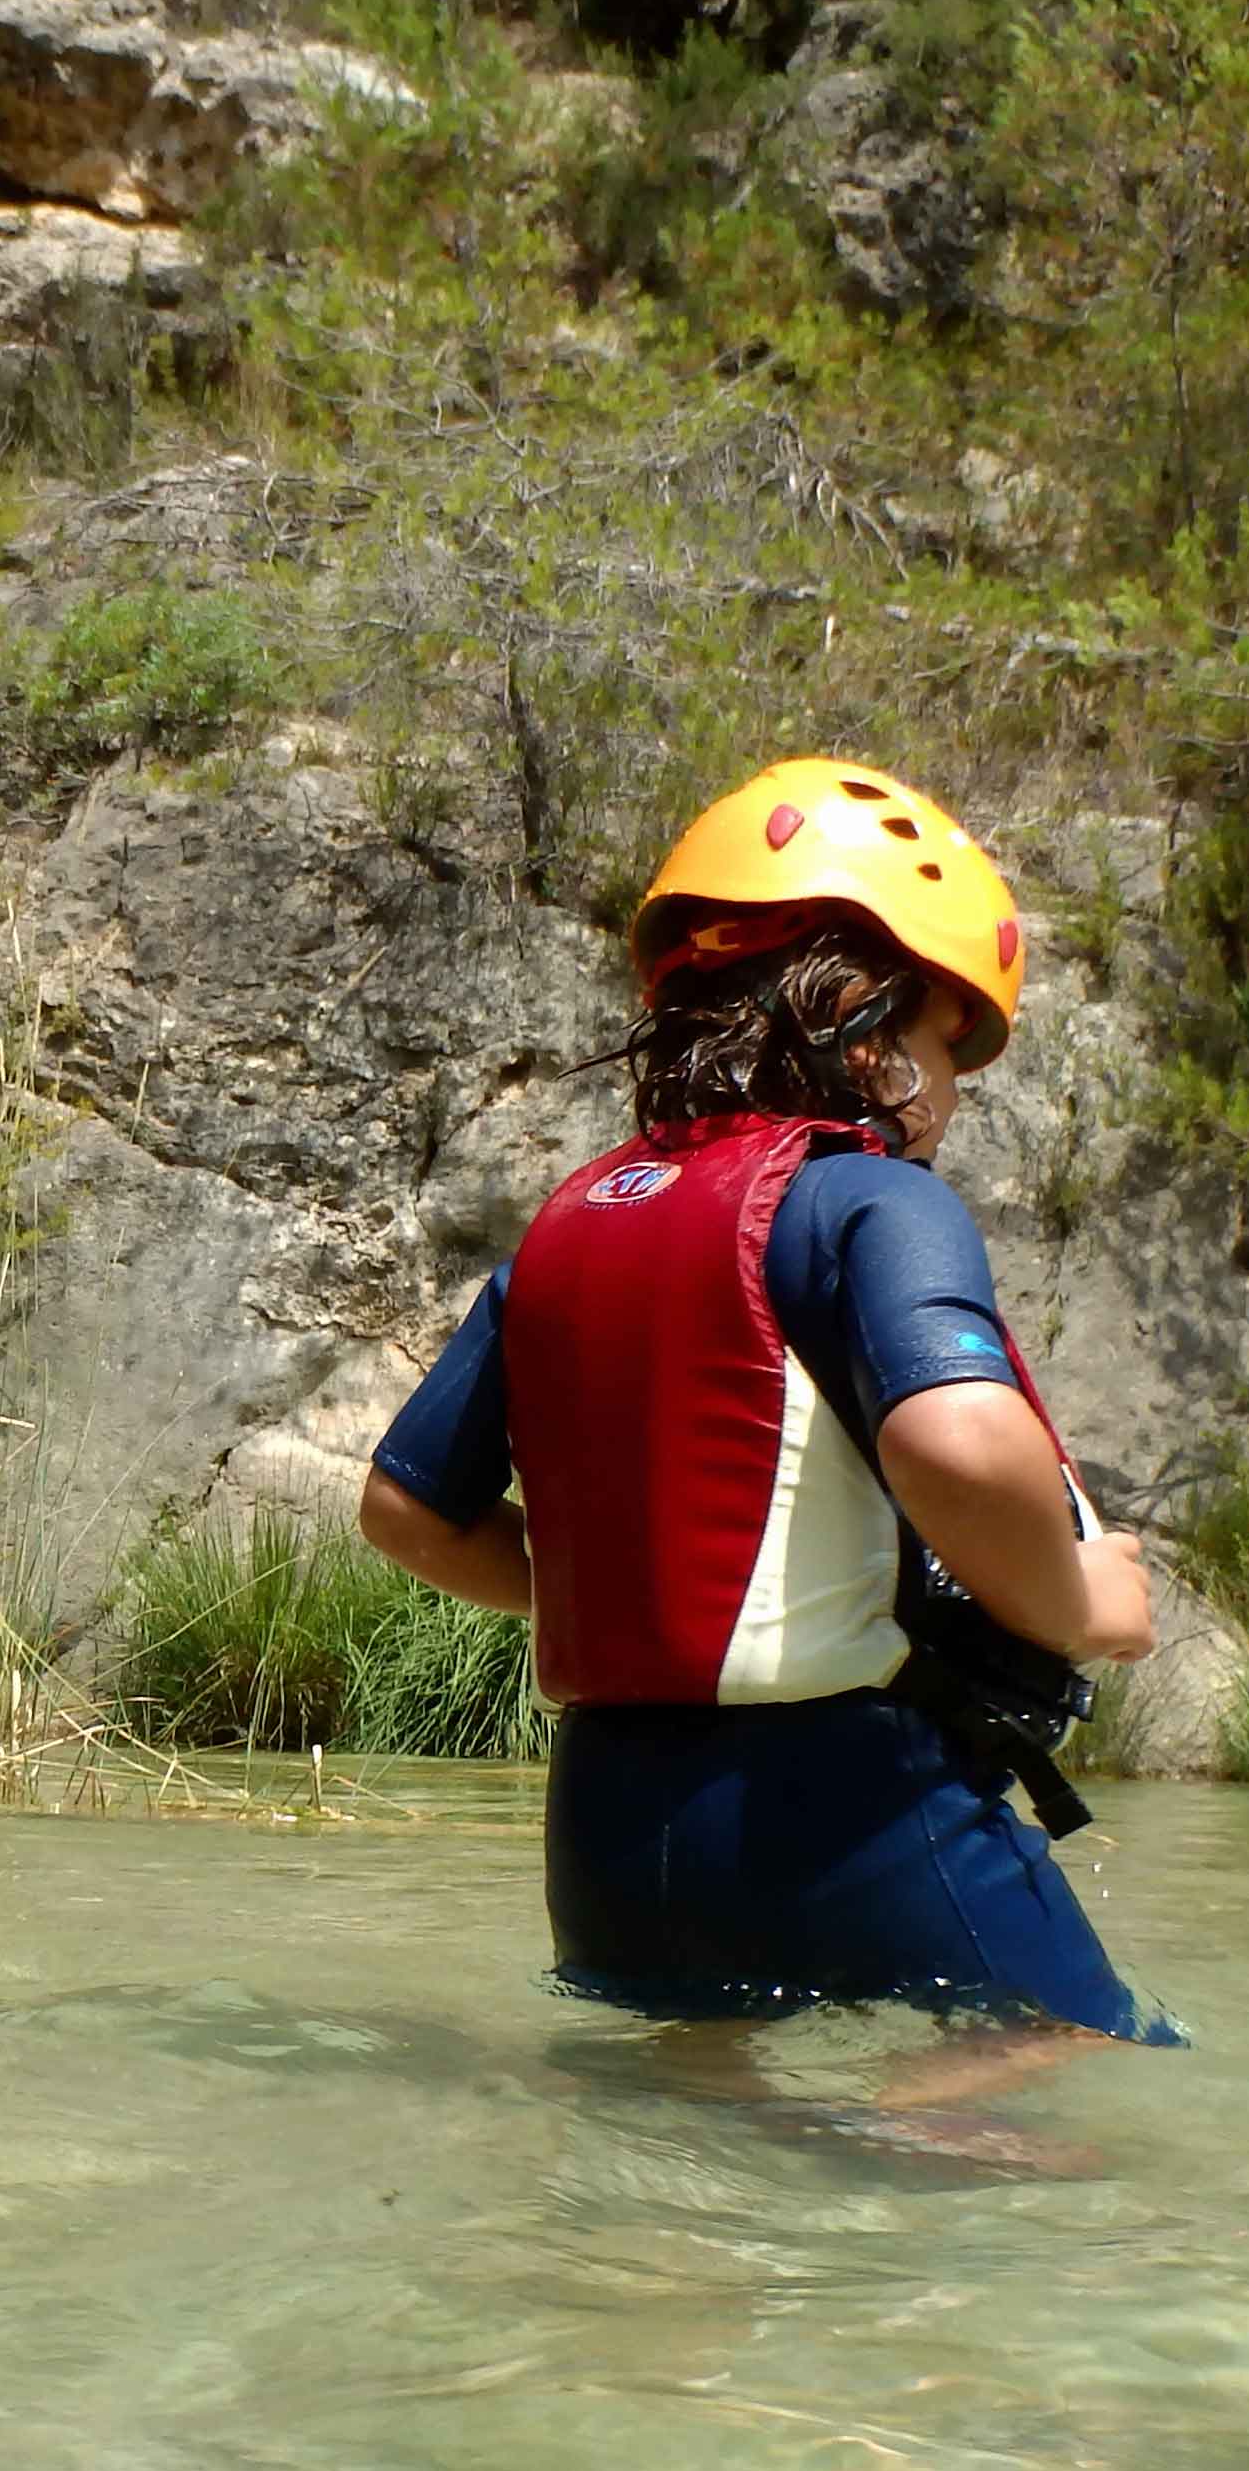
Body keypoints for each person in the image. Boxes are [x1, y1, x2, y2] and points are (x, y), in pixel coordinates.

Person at [357, 757, 1177, 2077]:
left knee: (693, 2127)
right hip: (840, 1807)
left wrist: (628, 1590)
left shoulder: (568, 1225)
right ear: (873, 1030)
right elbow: (959, 1443)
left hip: (605, 1835)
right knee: (1064, 2050)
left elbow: (404, 1508)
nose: (953, 1092)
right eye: (949, 1045)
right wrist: (1082, 1602)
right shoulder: (876, 1200)